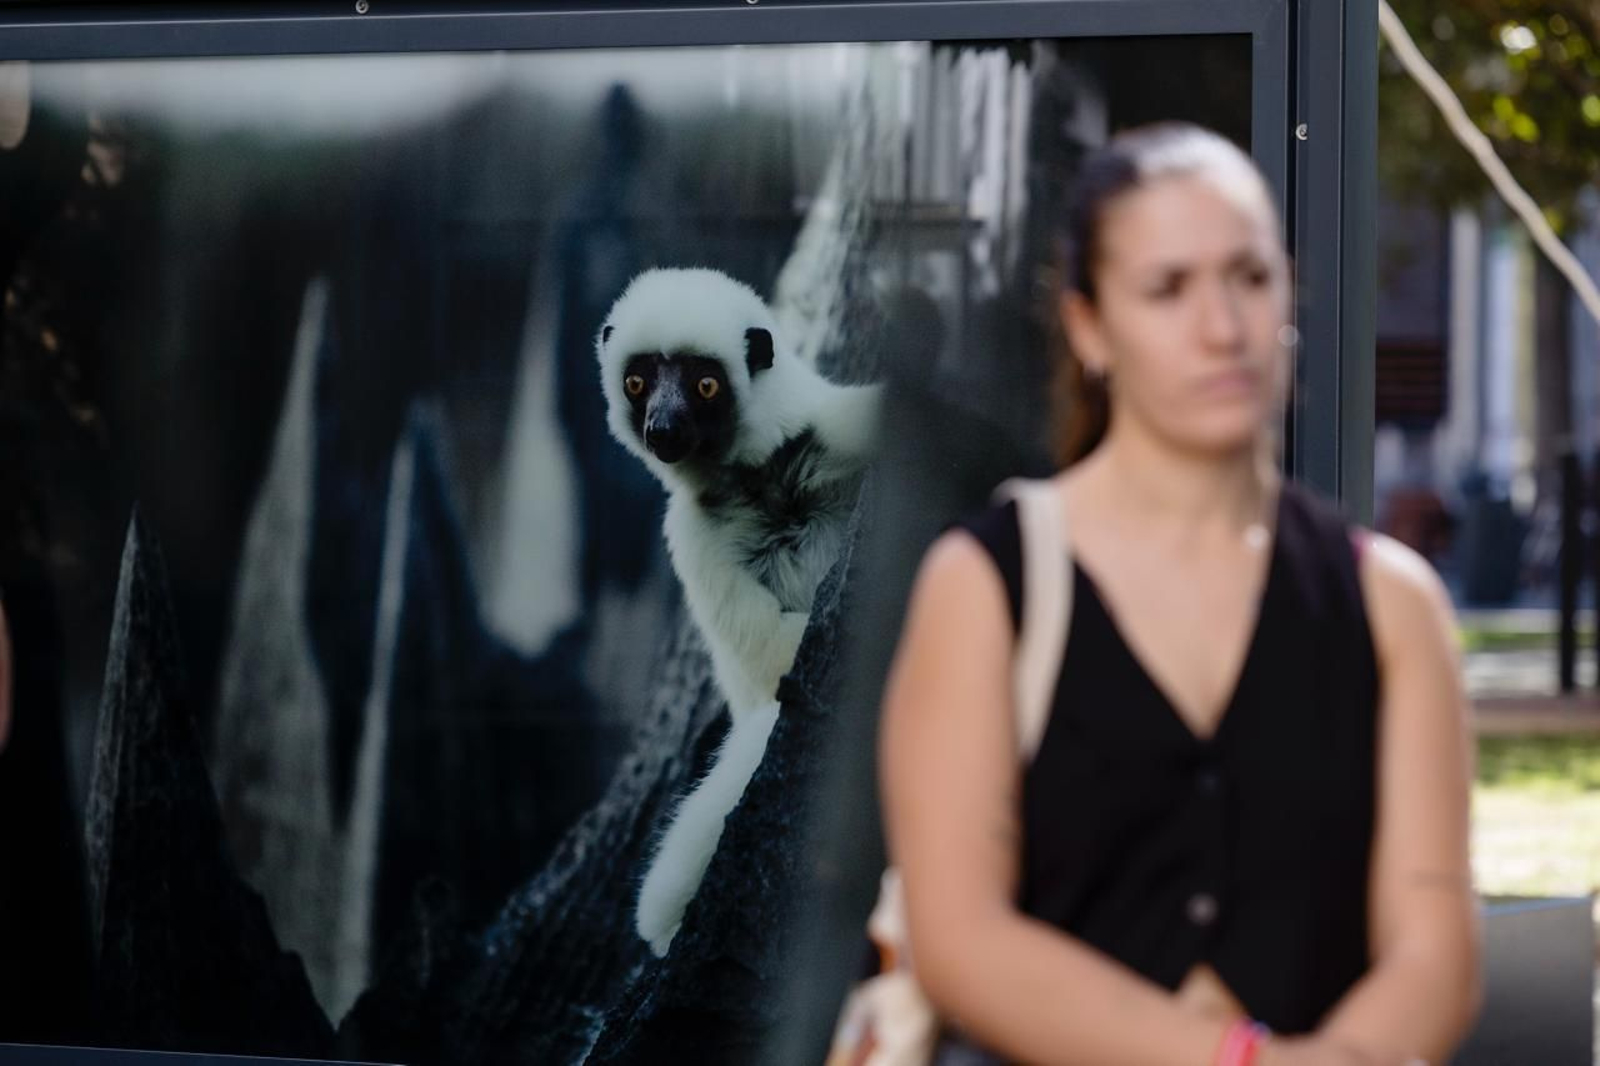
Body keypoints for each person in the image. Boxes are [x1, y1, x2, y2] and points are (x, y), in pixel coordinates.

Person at [877, 122, 1480, 1066]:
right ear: (1088, 326)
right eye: (1167, 288)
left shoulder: (1391, 602)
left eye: (1249, 277)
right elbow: (961, 942)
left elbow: (1435, 946)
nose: (1223, 328)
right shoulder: (990, 584)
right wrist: (1239, 1062)